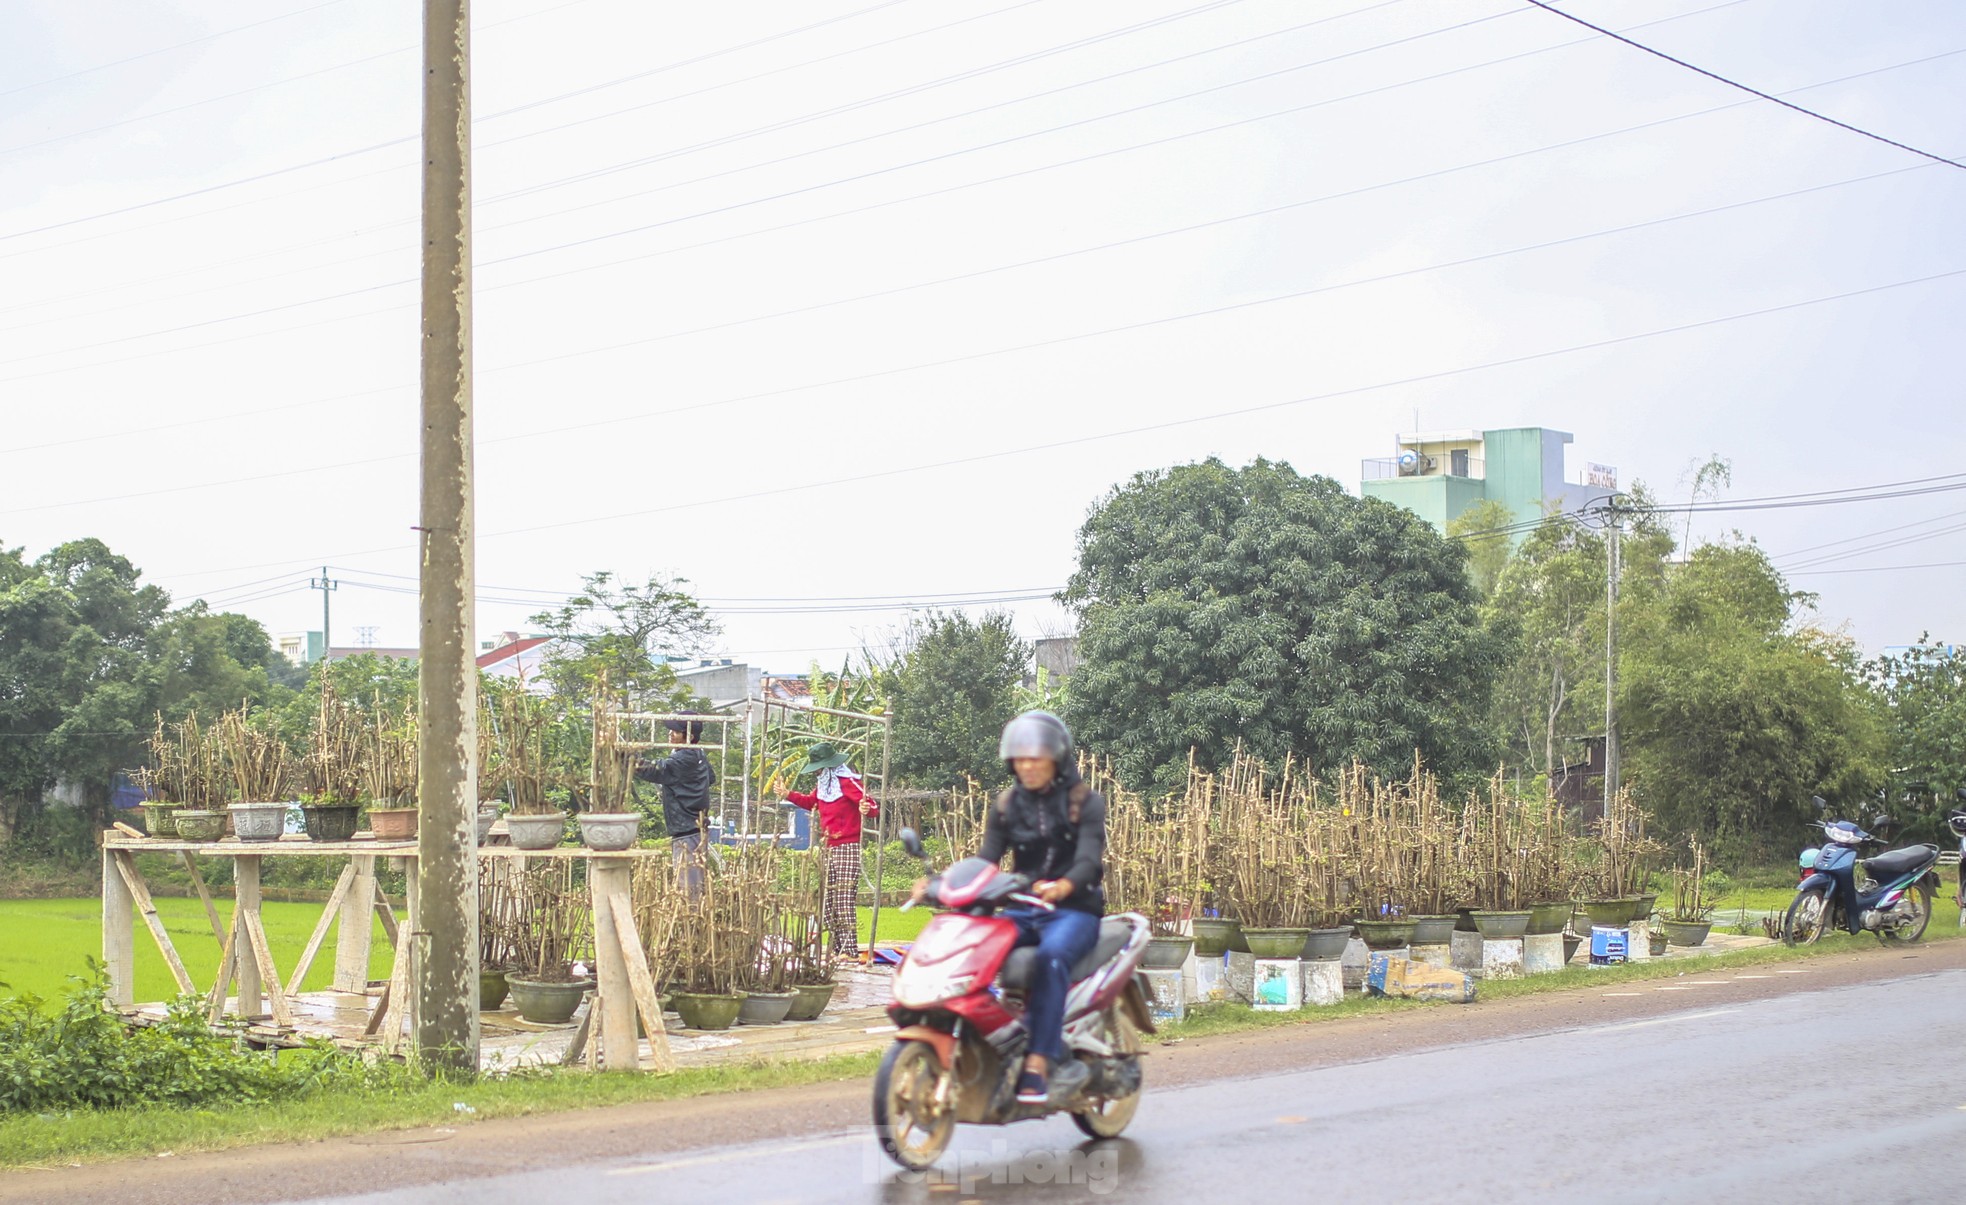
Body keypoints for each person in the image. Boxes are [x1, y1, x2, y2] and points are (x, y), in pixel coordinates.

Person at [918, 710, 1106, 1106]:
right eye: (1020, 759)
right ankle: (997, 1035)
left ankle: (1040, 1060)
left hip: (1074, 910)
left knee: (1050, 958)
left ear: (1056, 759)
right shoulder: (1006, 805)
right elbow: (987, 860)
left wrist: (1064, 885)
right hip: (1023, 908)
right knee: (976, 947)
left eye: (1035, 757)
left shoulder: (1085, 802)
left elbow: (1089, 859)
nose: (1027, 766)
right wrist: (943, 885)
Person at [784, 742, 877, 963]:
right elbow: (811, 802)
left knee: (843, 898)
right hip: (829, 846)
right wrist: (789, 794)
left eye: (819, 767)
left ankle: (849, 950)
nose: (816, 771)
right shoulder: (824, 786)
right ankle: (837, 948)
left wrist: (867, 809)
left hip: (847, 845)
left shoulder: (848, 782)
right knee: (828, 901)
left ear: (829, 766)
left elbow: (871, 805)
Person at [634, 712, 715, 897]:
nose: (671, 734)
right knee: (691, 883)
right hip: (693, 828)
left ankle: (692, 923)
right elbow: (710, 777)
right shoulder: (698, 754)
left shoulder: (684, 757)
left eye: (676, 731)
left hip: (687, 831)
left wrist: (629, 760)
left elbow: (656, 770)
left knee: (688, 888)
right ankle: (693, 921)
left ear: (690, 737)